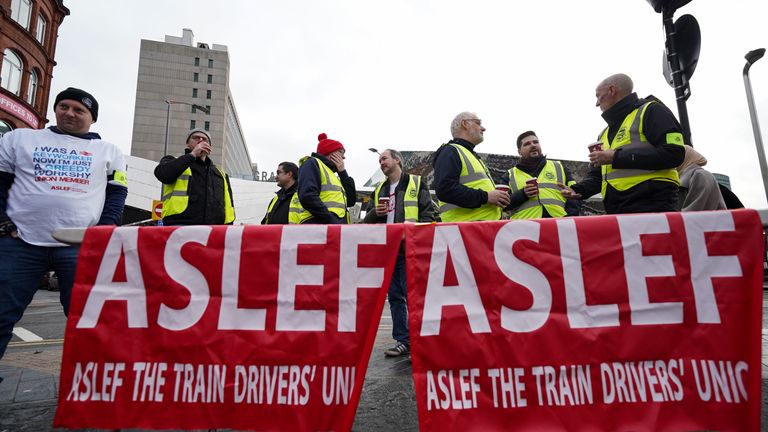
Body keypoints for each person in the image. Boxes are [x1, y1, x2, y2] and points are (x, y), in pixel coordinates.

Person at [0, 87, 128, 362]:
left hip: (79, 245)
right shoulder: (18, 139)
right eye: (64, 106)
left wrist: (103, 230)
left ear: (92, 118)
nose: (70, 113)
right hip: (21, 242)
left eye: (79, 110)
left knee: (89, 319)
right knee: (1, 315)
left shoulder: (109, 152)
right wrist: (2, 222)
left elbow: (117, 193)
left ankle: (94, 387)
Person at [560, 74, 685, 214]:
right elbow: (599, 176)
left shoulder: (652, 110)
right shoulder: (604, 134)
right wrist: (577, 190)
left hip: (652, 207)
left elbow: (674, 153)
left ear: (612, 90)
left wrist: (616, 157)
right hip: (618, 212)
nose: (596, 103)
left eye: (598, 96)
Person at [364, 149, 437, 357]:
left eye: (384, 158)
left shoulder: (415, 182)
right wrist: (374, 213)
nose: (381, 163)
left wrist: (412, 232)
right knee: (395, 297)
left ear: (397, 160)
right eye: (379, 160)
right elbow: (368, 220)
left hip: (410, 249)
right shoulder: (379, 189)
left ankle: (420, 341)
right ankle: (403, 341)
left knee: (413, 296)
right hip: (389, 251)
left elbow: (428, 214)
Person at [432, 112, 509, 221]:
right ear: (465, 124)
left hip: (478, 228)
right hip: (465, 230)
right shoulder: (450, 151)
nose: (483, 128)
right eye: (478, 123)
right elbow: (445, 189)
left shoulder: (470, 155)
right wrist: (486, 197)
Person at [154, 129, 235, 225]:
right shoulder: (172, 161)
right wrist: (193, 155)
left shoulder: (220, 174)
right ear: (187, 143)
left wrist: (228, 227)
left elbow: (229, 204)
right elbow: (163, 175)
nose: (200, 140)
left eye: (205, 139)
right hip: (180, 225)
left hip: (215, 229)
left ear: (209, 146)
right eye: (196, 138)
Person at [502, 131, 578, 219]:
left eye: (535, 142)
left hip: (559, 224)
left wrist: (570, 217)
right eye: (527, 144)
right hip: (524, 227)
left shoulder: (559, 167)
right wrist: (523, 194)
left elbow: (575, 194)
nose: (533, 145)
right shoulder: (509, 175)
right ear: (519, 152)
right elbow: (501, 205)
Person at [289, 133, 356, 224]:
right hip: (318, 228)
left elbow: (350, 201)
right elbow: (307, 196)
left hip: (331, 229)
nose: (343, 157)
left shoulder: (332, 175)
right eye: (341, 152)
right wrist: (329, 219)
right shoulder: (312, 163)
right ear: (330, 152)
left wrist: (343, 173)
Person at [676, 146, 726, 211]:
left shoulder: (700, 175)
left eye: (677, 156)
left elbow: (694, 212)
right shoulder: (682, 178)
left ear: (687, 157)